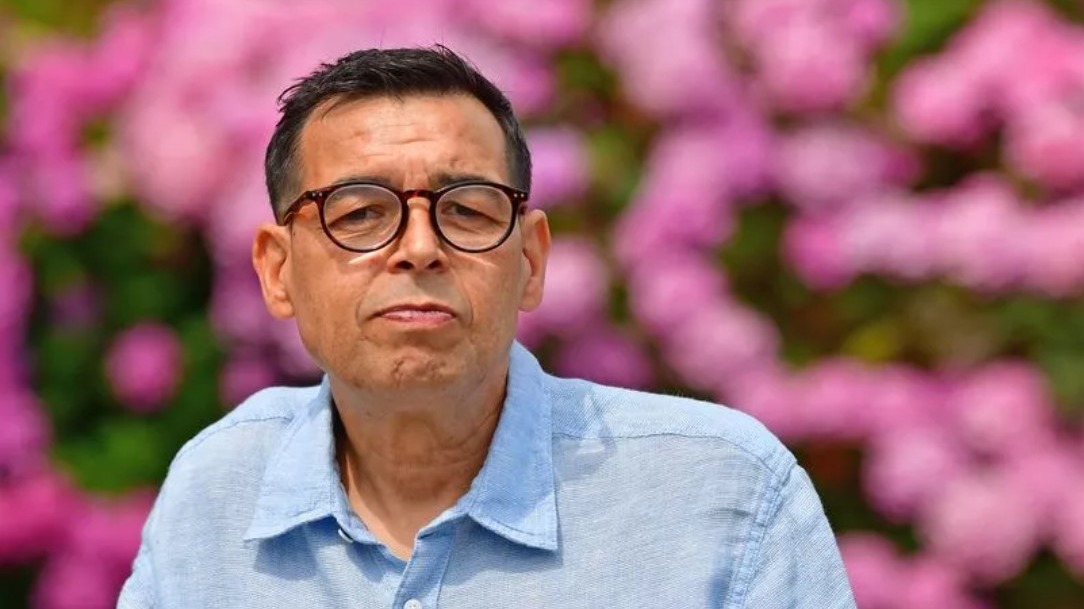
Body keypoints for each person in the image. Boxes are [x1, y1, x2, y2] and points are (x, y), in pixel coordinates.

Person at [118, 46, 856, 608]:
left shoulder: (722, 496)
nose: (418, 247)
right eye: (360, 212)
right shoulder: (215, 493)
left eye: (467, 210)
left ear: (530, 260)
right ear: (278, 270)